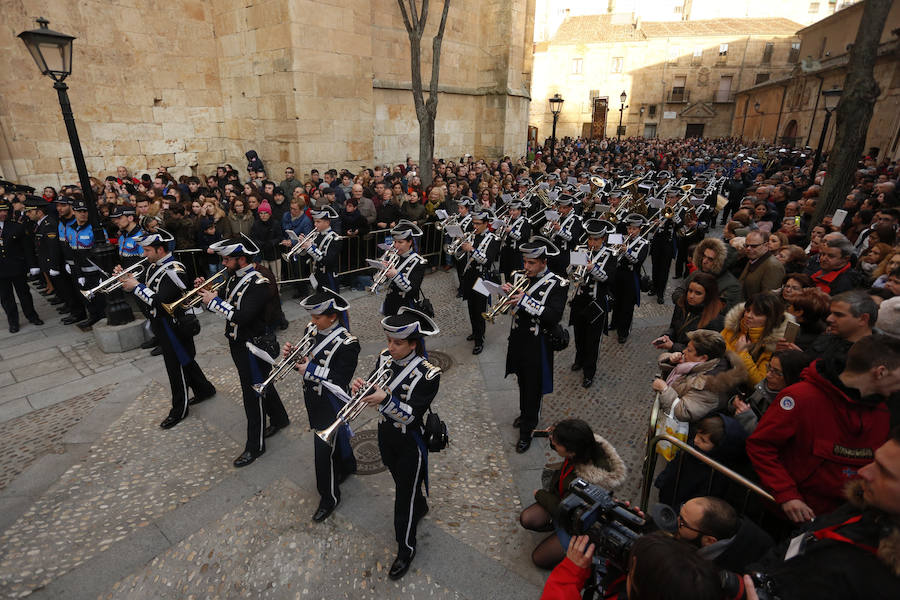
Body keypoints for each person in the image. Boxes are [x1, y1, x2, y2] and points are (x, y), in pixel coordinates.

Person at [747, 334, 896, 525]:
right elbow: (761, 446)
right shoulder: (802, 397)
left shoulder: (882, 412)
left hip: (842, 517)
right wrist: (786, 493)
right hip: (791, 514)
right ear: (881, 372)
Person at [747, 429, 900, 600]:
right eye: (875, 462)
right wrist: (759, 575)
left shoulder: (886, 581)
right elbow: (801, 539)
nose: (863, 472)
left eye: (884, 472)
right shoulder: (862, 507)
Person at [352, 308, 441, 580]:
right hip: (385, 435)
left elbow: (413, 415)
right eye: (388, 340)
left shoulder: (429, 374)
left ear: (414, 344)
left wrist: (383, 400)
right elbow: (373, 385)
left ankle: (406, 548)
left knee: (402, 498)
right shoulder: (383, 357)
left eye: (398, 343)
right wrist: (362, 388)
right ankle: (421, 504)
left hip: (409, 442)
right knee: (401, 481)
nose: (390, 347)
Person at [199, 235, 290, 468]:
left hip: (252, 346)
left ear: (242, 259)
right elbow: (231, 304)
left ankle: (255, 445)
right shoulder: (233, 277)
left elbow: (243, 316)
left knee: (252, 395)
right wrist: (208, 294)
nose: (223, 263)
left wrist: (214, 303)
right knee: (261, 383)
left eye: (227, 259)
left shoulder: (258, 282)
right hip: (238, 342)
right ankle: (280, 418)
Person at [119, 229, 216, 428]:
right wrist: (128, 282)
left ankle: (179, 409)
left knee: (176, 367)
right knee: (185, 360)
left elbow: (159, 301)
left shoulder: (174, 269)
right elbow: (146, 292)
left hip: (174, 325)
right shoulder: (154, 265)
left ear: (160, 249)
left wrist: (136, 286)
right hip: (162, 324)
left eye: (147, 250)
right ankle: (205, 389)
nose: (143, 254)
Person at [284, 288, 359, 522]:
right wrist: (295, 354)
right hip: (313, 396)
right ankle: (347, 464)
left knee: (322, 453)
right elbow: (309, 357)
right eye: (312, 318)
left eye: (317, 318)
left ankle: (329, 497)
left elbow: (340, 378)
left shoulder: (349, 343)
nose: (312, 322)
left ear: (332, 317)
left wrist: (311, 369)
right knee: (335, 441)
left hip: (332, 401)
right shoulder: (312, 329)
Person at [519, 419, 626, 569]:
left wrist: (540, 495)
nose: (553, 445)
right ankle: (554, 527)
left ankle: (571, 547)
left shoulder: (592, 482)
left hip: (575, 523)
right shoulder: (582, 445)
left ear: (571, 451)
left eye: (556, 444)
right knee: (527, 518)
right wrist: (556, 433)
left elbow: (565, 509)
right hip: (562, 501)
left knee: (539, 558)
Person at [505, 237, 568, 452]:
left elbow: (553, 316)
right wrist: (506, 296)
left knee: (534, 388)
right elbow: (512, 311)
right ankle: (525, 415)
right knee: (523, 382)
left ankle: (527, 431)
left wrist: (526, 301)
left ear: (543, 262)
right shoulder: (518, 276)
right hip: (518, 340)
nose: (526, 267)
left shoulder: (557, 284)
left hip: (537, 344)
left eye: (531, 263)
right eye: (525, 262)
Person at [653, 329, 747, 422]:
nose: (684, 351)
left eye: (689, 350)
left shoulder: (707, 385)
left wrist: (665, 390)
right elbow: (662, 359)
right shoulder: (696, 363)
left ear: (703, 358)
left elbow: (684, 412)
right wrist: (671, 359)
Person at [569, 219, 617, 388]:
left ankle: (589, 372)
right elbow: (570, 272)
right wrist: (574, 266)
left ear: (603, 239)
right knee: (579, 334)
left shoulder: (610, 255)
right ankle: (579, 360)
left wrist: (591, 268)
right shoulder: (581, 250)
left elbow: (608, 278)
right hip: (579, 300)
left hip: (596, 303)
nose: (592, 243)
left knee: (592, 340)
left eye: (596, 239)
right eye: (590, 239)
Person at [672, 496, 774, 573]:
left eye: (682, 523)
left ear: (709, 541)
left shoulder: (716, 578)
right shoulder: (731, 526)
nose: (676, 521)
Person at [731, 349, 812, 434]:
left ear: (792, 377)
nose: (768, 375)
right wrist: (736, 403)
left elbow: (765, 437)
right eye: (769, 367)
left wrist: (746, 417)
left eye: (776, 372)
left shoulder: (789, 407)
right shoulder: (766, 386)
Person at [721, 292, 793, 386]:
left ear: (770, 318)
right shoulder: (734, 327)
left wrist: (742, 354)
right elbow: (715, 347)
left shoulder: (772, 345)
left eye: (757, 314)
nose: (748, 315)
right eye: (748, 310)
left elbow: (759, 383)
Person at [459, 207, 500, 355]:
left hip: (482, 278)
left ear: (486, 223)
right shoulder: (472, 235)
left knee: (480, 309)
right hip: (470, 276)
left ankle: (480, 339)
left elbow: (487, 261)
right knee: (471, 306)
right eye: (473, 223)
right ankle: (475, 332)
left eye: (477, 223)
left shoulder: (493, 239)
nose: (474, 226)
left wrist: (472, 250)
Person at [653, 272, 725, 353]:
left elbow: (703, 351)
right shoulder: (681, 305)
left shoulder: (715, 320)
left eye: (698, 293)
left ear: (708, 295)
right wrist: (666, 336)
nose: (691, 296)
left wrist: (673, 346)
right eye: (690, 291)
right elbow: (674, 327)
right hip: (675, 356)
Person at [0, 198, 42, 333]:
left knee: (24, 294)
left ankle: (32, 316)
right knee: (6, 297)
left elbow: (27, 248)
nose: (3, 213)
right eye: (1, 211)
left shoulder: (16, 226)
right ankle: (13, 322)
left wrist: (32, 265)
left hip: (17, 267)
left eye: (5, 210)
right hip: (1, 270)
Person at [672, 236, 743, 310]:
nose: (704, 261)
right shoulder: (697, 273)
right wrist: (685, 302)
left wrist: (697, 305)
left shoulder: (732, 286)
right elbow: (678, 292)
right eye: (704, 256)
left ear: (721, 262)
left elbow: (725, 312)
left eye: (710, 259)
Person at [67, 197, 106, 331]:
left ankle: (103, 318)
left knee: (100, 299)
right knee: (86, 298)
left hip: (95, 271)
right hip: (81, 270)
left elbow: (102, 253)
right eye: (79, 211)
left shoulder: (94, 228)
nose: (83, 214)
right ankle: (93, 317)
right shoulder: (70, 228)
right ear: (74, 212)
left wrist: (102, 273)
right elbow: (73, 252)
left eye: (85, 211)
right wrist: (78, 273)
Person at [612, 214, 650, 343]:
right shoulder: (619, 238)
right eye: (629, 229)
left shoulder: (644, 243)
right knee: (616, 301)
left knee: (627, 306)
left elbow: (637, 261)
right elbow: (610, 252)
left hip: (631, 277)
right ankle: (614, 323)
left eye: (634, 229)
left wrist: (626, 251)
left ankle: (623, 332)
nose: (631, 232)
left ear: (639, 229)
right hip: (617, 275)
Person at [380, 221, 428, 316]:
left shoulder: (419, 262)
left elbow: (413, 290)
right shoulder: (391, 256)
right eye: (395, 242)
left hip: (406, 307)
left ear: (410, 242)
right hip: (390, 303)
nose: (396, 246)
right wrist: (381, 269)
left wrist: (396, 275)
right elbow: (384, 282)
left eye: (400, 242)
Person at [299, 205, 342, 292]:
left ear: (327, 223)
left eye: (318, 222)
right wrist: (303, 246)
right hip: (317, 275)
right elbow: (308, 256)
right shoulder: (316, 235)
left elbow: (328, 261)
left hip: (329, 277)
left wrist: (311, 248)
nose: (315, 224)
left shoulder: (335, 238)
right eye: (315, 221)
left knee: (331, 302)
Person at [739, 230, 785, 300]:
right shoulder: (754, 257)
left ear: (766, 245)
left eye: (754, 246)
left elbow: (767, 299)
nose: (748, 249)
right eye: (746, 245)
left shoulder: (773, 266)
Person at [498, 199, 530, 281]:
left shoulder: (525, 222)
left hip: (517, 253)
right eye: (510, 210)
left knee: (516, 275)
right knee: (506, 275)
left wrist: (511, 231)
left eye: (514, 210)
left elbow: (523, 237)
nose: (511, 213)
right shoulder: (507, 220)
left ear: (519, 210)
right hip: (506, 252)